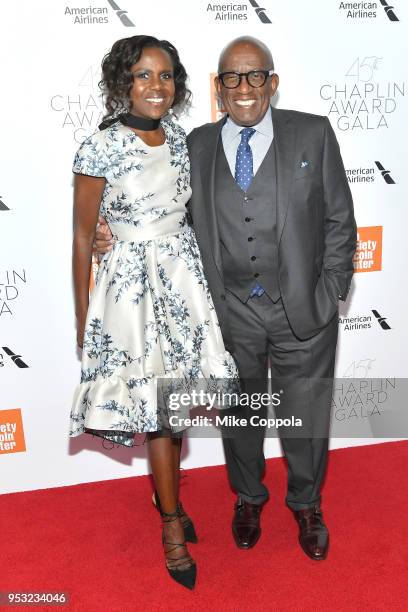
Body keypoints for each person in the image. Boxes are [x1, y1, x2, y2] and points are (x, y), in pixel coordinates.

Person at [95, 36, 357, 561]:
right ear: (218, 87)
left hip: (302, 312)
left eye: (255, 75)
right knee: (240, 418)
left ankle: (306, 504)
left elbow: (339, 222)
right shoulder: (194, 144)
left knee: (304, 417)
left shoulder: (313, 134)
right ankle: (249, 498)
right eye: (232, 78)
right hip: (227, 313)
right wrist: (111, 234)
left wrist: (328, 295)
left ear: (272, 82)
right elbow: (159, 208)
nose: (244, 88)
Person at [70, 34, 239, 590]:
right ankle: (171, 524)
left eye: (165, 76)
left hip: (182, 280)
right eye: (143, 75)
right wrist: (82, 326)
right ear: (123, 83)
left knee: (177, 401)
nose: (156, 87)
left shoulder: (183, 141)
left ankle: (165, 496)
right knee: (158, 414)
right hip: (130, 292)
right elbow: (79, 237)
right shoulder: (101, 146)